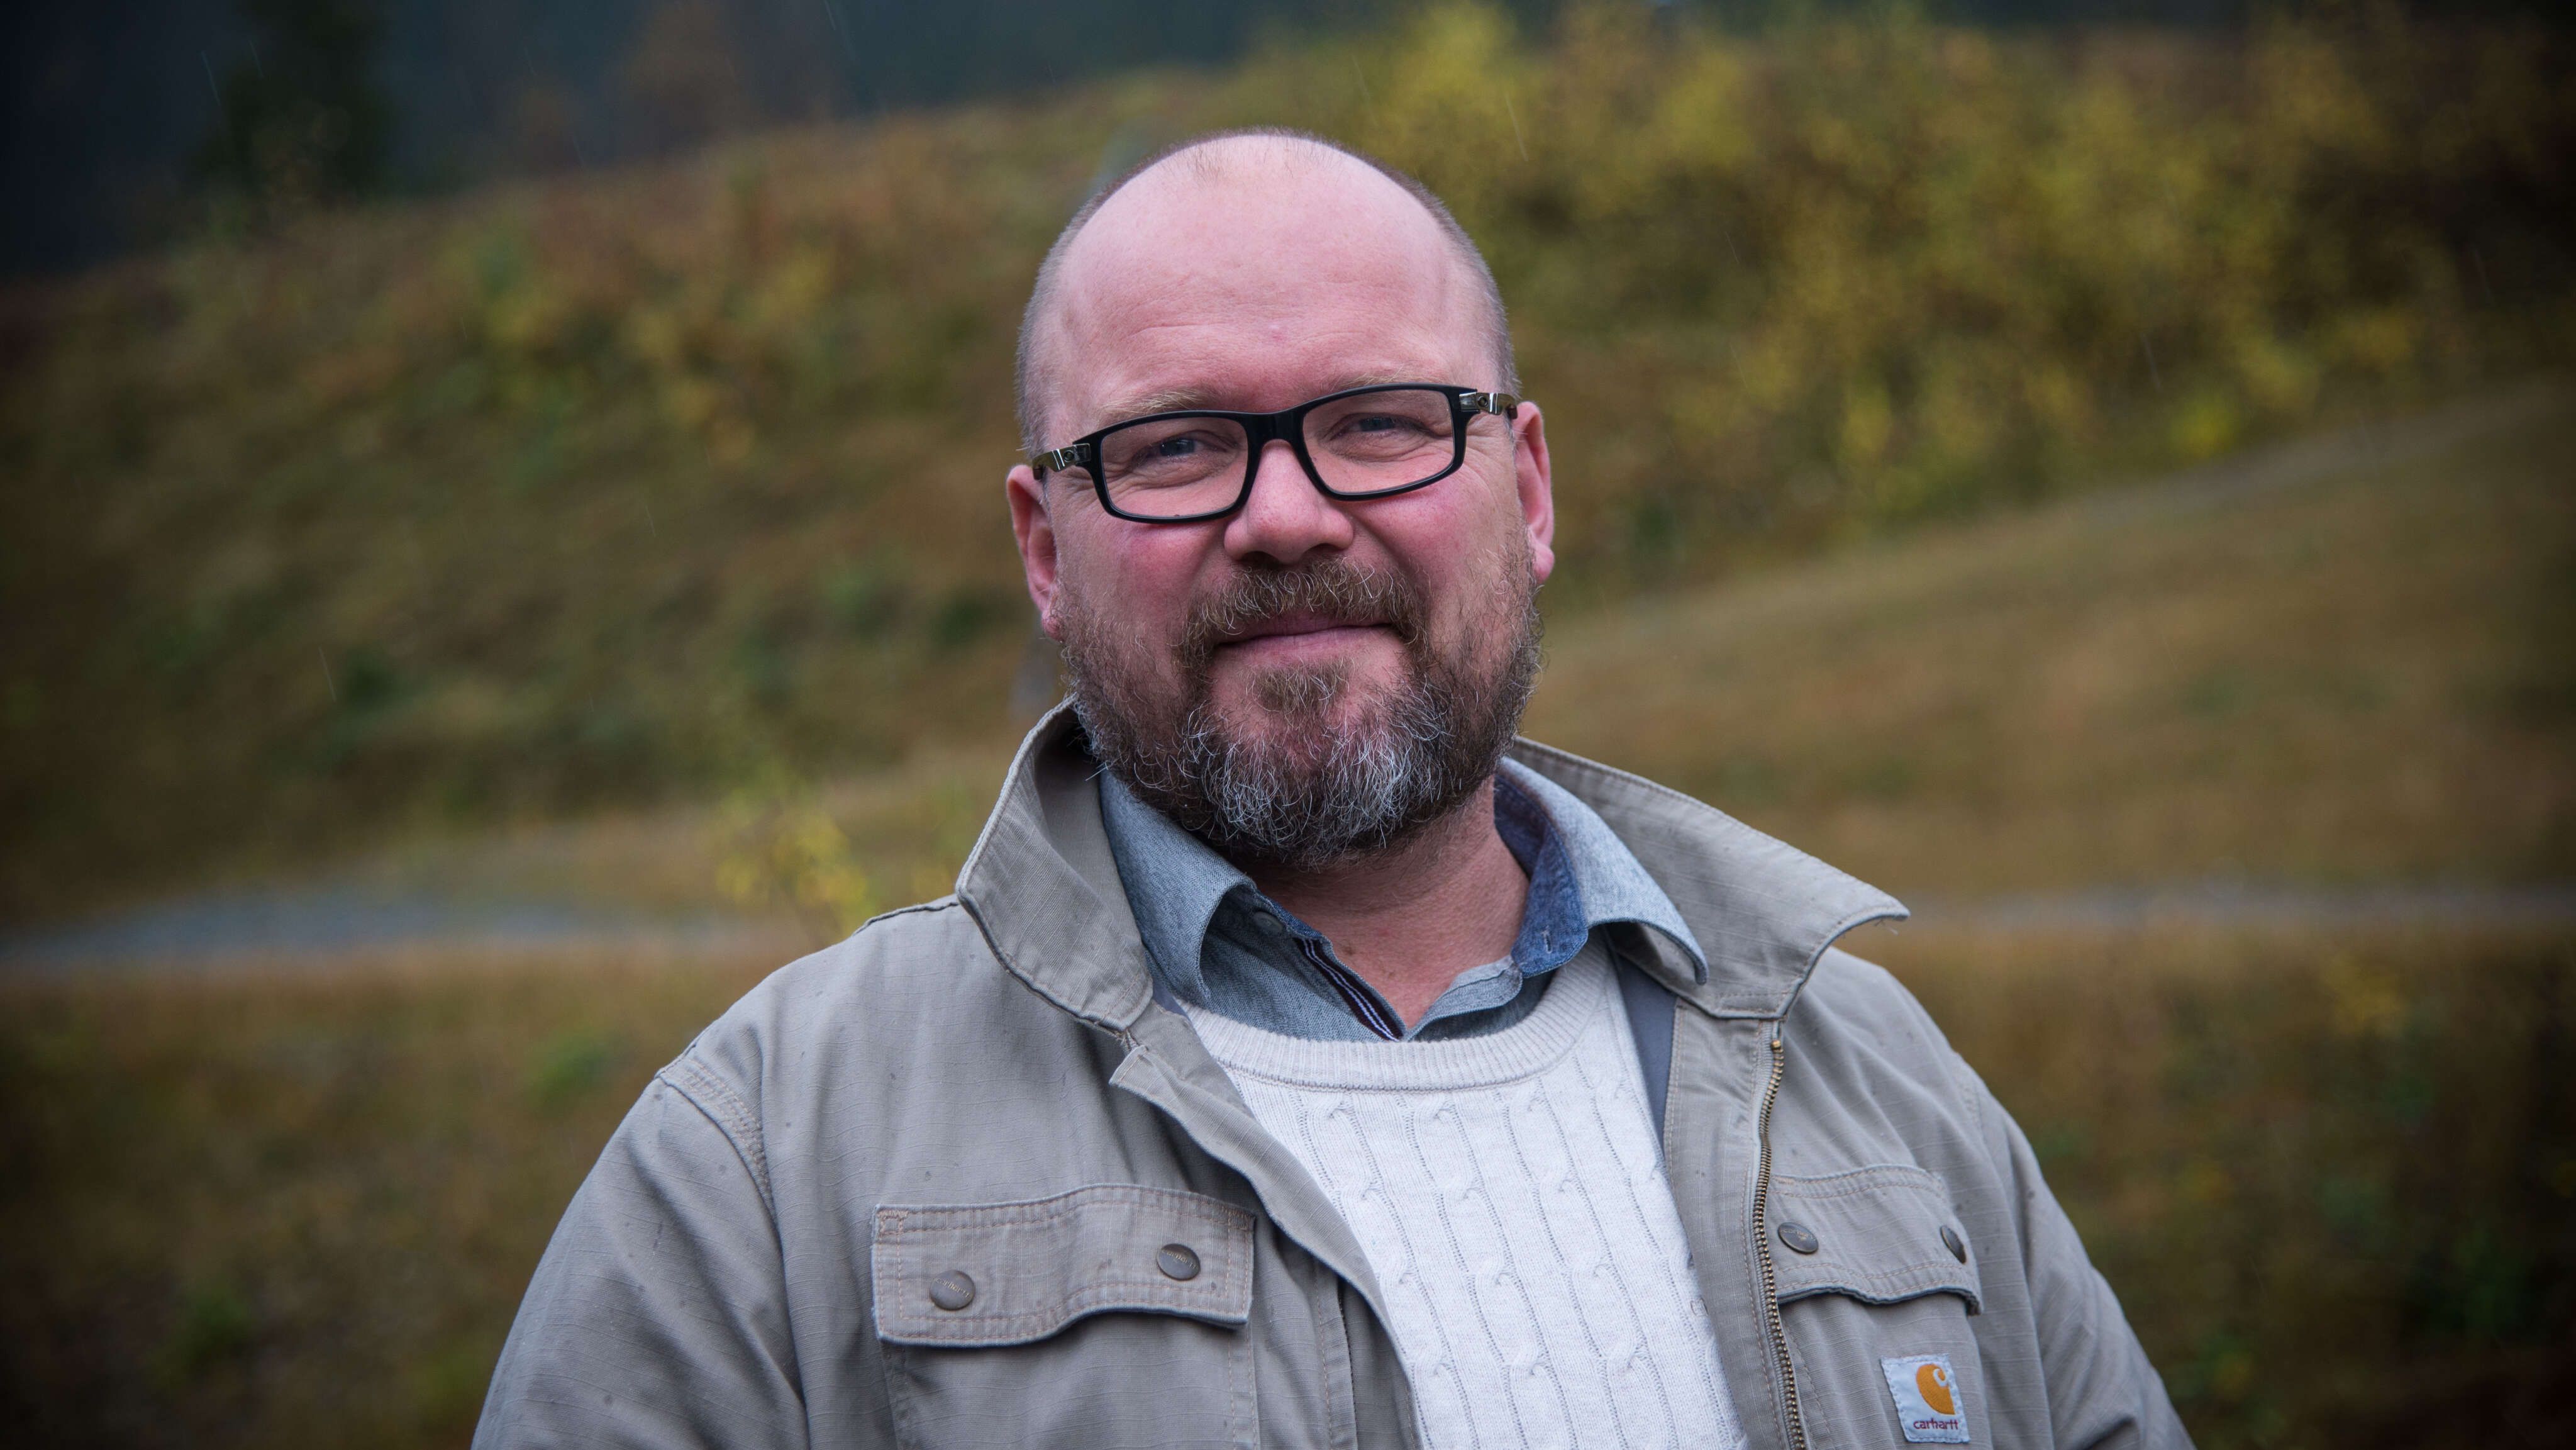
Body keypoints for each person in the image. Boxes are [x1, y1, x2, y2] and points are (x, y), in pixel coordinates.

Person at [475, 128, 2188, 1450]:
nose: (1287, 516)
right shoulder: (764, 1157)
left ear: (1527, 488)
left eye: (1379, 420)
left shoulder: (1875, 1079)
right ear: (1043, 548)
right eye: (1175, 445)